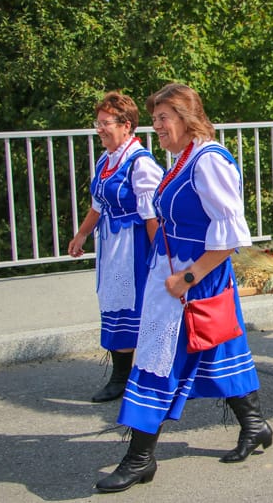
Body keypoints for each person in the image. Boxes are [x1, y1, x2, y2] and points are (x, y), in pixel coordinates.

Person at [95, 83, 272, 493]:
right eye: (155, 118)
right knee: (216, 347)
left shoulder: (208, 161)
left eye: (163, 118)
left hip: (194, 279)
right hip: (174, 277)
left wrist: (186, 279)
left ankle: (139, 458)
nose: (156, 126)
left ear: (187, 118)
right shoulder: (182, 159)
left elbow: (229, 236)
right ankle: (255, 424)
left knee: (156, 362)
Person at [68, 92, 163, 403]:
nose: (100, 129)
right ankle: (125, 376)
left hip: (134, 247)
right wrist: (82, 235)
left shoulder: (141, 163)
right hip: (112, 247)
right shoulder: (106, 160)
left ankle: (129, 378)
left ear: (126, 125)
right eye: (98, 123)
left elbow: (151, 217)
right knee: (114, 305)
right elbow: (98, 204)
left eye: (106, 123)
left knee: (135, 310)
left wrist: (159, 257)